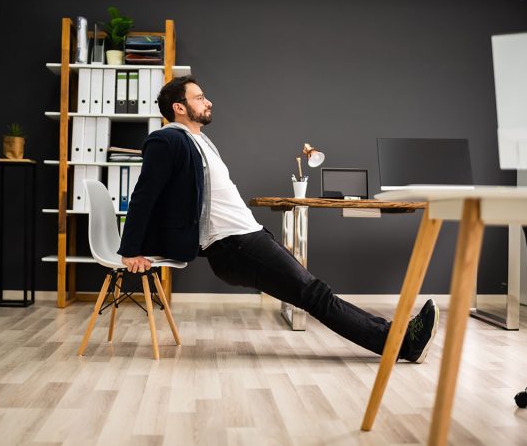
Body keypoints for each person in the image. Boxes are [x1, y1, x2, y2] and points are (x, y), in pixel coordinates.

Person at [118, 76, 438, 363]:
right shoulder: (167, 140)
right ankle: (402, 343)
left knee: (313, 293)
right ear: (180, 107)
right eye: (199, 97)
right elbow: (145, 196)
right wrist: (131, 249)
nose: (208, 101)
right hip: (234, 245)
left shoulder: (199, 142)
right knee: (315, 295)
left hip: (248, 237)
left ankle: (399, 337)